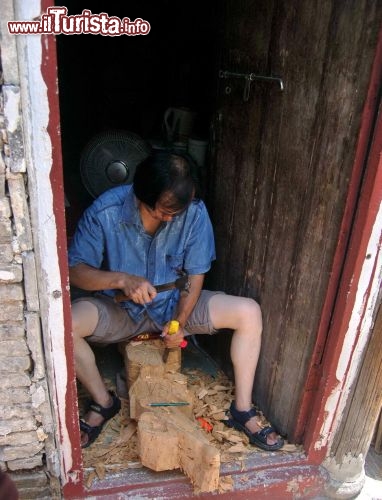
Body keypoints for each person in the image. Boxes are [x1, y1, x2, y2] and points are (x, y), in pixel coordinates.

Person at [68, 150, 284, 450]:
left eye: (177, 212)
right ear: (141, 196)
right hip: (119, 308)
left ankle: (242, 410)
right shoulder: (106, 211)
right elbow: (75, 270)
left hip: (172, 305)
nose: (171, 218)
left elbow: (195, 276)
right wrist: (121, 279)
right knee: (64, 326)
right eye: (164, 211)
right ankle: (104, 403)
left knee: (248, 312)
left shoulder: (193, 211)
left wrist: (179, 324)